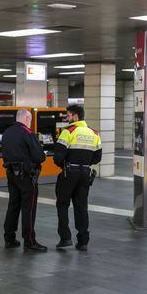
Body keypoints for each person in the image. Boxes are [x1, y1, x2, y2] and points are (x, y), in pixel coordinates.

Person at [54, 105, 102, 251]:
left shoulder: (68, 132)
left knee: (62, 204)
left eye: (68, 116)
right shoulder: (95, 133)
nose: (66, 118)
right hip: (85, 174)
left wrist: (65, 164)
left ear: (75, 116)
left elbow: (57, 157)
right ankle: (83, 240)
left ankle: (65, 238)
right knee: (81, 206)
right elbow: (97, 158)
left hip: (69, 173)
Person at [1, 109, 47, 252]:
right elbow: (40, 156)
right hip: (27, 176)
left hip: (11, 174)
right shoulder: (27, 133)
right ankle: (29, 240)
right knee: (29, 207)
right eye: (30, 120)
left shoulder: (7, 133)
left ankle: (9, 238)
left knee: (13, 205)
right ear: (27, 119)